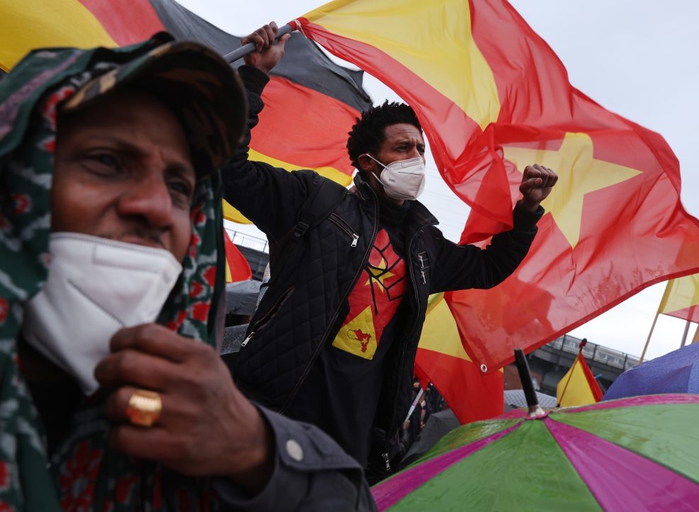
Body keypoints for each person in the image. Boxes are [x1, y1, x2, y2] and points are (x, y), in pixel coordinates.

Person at [0, 34, 377, 511]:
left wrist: (256, 450)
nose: (158, 207)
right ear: (8, 179)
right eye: (106, 161)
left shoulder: (205, 443)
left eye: (180, 187)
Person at [223, 23, 558, 482]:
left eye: (420, 149)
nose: (417, 159)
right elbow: (230, 168)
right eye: (403, 148)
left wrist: (526, 212)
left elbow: (488, 267)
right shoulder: (314, 201)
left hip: (355, 437)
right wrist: (254, 76)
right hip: (270, 410)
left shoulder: (425, 246)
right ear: (367, 162)